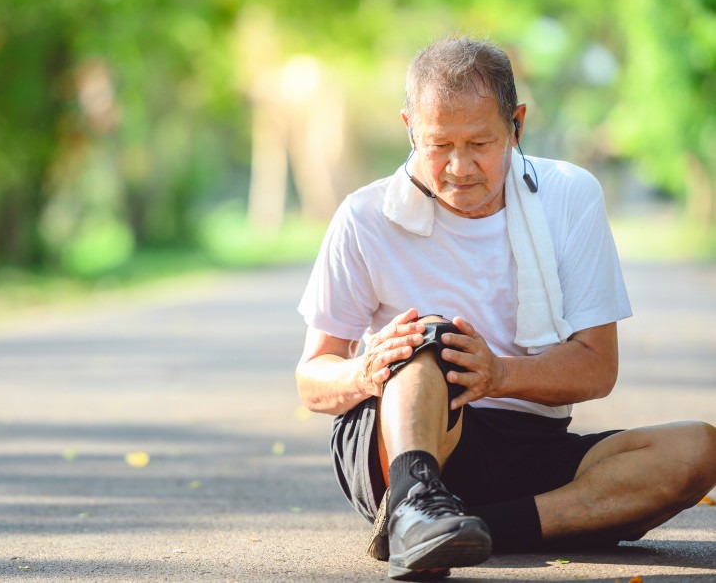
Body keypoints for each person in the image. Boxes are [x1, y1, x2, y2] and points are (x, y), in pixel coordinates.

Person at [295, 36, 716, 581]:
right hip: (399, 442)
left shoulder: (569, 195)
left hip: (530, 446)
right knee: (431, 338)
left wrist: (498, 374)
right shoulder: (364, 216)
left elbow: (597, 366)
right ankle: (416, 504)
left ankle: (472, 529)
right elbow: (312, 377)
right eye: (438, 144)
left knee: (696, 450)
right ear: (409, 128)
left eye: (480, 142)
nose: (459, 166)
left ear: (516, 125)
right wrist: (367, 369)